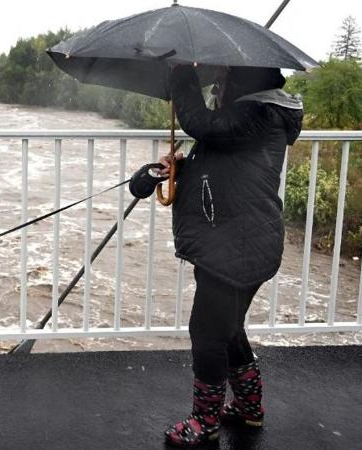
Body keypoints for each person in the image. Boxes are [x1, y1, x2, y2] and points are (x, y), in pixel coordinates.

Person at [130, 64, 304, 447]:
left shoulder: (262, 115)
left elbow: (203, 125)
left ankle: (205, 422)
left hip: (239, 246)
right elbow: (220, 167)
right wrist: (161, 173)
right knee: (227, 329)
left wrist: (179, 77)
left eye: (223, 82)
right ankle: (248, 409)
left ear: (246, 83)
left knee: (208, 333)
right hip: (230, 242)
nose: (217, 89)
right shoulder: (244, 121)